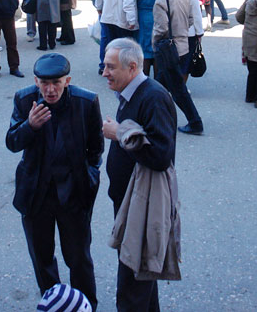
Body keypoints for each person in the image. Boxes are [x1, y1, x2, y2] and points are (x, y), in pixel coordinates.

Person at [6, 54, 103, 310]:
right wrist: (30, 126)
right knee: (42, 257)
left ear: (67, 80)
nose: (50, 89)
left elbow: (96, 150)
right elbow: (12, 142)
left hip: (73, 195)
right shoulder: (25, 99)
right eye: (44, 83)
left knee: (79, 259)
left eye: (57, 83)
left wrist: (90, 178)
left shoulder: (86, 101)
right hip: (36, 195)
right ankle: (54, 304)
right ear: (36, 81)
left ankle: (86, 305)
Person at [101, 38, 177, 312]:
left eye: (110, 67)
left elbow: (160, 156)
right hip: (129, 201)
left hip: (143, 205)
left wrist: (119, 133)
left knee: (132, 282)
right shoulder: (131, 92)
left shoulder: (153, 98)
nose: (104, 73)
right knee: (140, 274)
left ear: (132, 67)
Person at [152, 0, 203, 135]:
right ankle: (148, 115)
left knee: (177, 89)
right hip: (181, 44)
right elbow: (190, 18)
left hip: (168, 47)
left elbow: (161, 27)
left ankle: (195, 121)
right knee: (158, 84)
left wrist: (155, 42)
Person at [136, 0, 163, 76]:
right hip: (159, 15)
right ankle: (158, 80)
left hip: (143, 15)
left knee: (144, 48)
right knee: (157, 48)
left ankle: (144, 78)